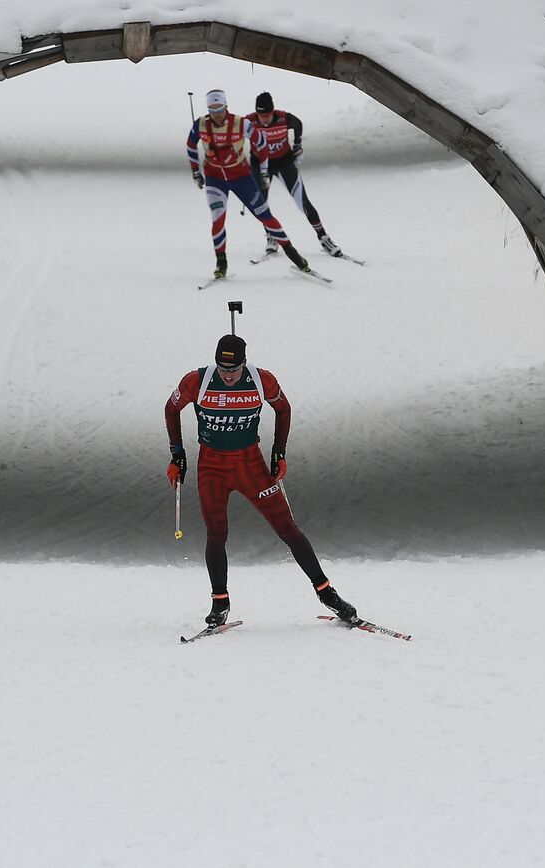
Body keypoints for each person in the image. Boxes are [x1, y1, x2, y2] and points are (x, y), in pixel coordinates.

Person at [165, 333, 359, 628]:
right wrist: (177, 455)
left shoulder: (261, 379)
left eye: (233, 370)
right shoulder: (197, 380)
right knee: (216, 533)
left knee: (287, 528)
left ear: (245, 362)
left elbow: (283, 408)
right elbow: (171, 408)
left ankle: (327, 594)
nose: (228, 376)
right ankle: (220, 603)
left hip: (250, 465)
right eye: (222, 369)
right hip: (212, 466)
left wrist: (278, 452)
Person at [186, 89, 311, 278]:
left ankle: (293, 254)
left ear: (226, 106)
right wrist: (196, 171)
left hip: (241, 176)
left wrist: (263, 173)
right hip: (215, 178)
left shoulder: (240, 123)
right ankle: (221, 263)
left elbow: (261, 144)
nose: (216, 113)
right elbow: (190, 145)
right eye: (212, 109)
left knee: (264, 215)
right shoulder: (201, 125)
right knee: (218, 218)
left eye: (219, 108)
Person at [247, 91, 349, 259]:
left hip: (284, 163)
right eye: (261, 115)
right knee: (261, 204)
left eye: (267, 115)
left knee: (303, 202)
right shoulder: (249, 121)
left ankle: (323, 237)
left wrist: (298, 144)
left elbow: (298, 124)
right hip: (261, 166)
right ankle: (272, 236)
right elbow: (233, 134)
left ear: (273, 111)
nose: (264, 118)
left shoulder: (282, 118)